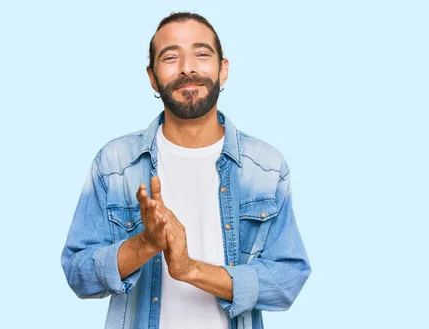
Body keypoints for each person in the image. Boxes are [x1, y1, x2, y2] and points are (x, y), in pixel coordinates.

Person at [61, 12, 311, 329]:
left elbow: (289, 279)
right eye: (171, 57)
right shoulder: (115, 164)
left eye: (201, 54)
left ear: (223, 70)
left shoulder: (265, 166)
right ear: (152, 77)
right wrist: (145, 245)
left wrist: (190, 268)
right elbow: (77, 272)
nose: (187, 68)